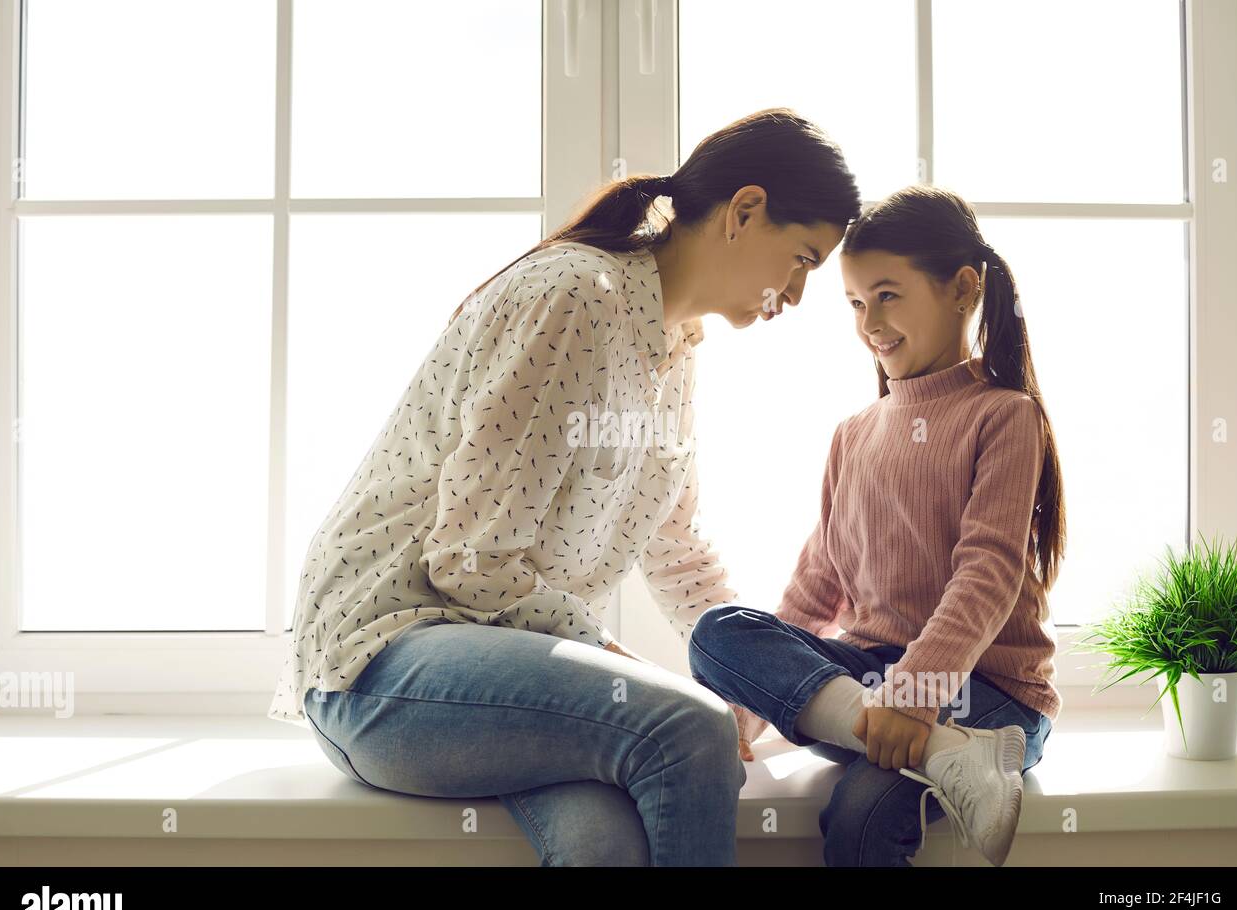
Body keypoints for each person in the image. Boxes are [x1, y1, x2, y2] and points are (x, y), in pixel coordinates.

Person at [267, 107, 862, 865]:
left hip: (492, 670)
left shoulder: (673, 349)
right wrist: (636, 673)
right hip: (381, 666)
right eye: (804, 258)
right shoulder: (579, 297)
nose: (799, 293)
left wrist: (747, 684)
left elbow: (676, 551)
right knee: (687, 727)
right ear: (744, 212)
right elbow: (470, 564)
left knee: (603, 845)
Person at [689, 184, 1067, 867]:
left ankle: (956, 743)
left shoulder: (1004, 415)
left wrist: (915, 695)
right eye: (857, 303)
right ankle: (954, 758)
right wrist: (743, 718)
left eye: (888, 295)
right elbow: (814, 592)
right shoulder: (852, 434)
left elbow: (986, 574)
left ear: (962, 289)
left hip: (991, 696)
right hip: (875, 687)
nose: (870, 321)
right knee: (718, 637)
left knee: (861, 818)